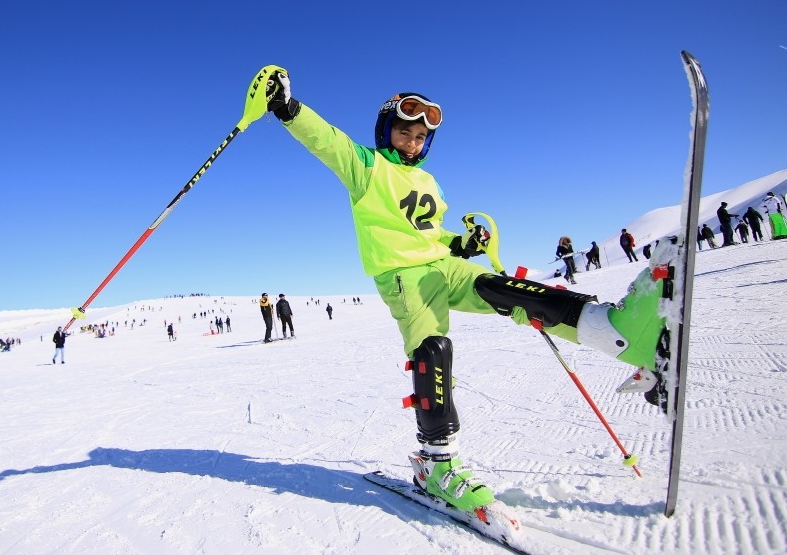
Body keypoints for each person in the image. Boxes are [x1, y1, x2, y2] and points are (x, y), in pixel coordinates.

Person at [256, 67, 669, 513]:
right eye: (403, 131)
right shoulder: (367, 167)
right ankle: (436, 465)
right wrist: (287, 108)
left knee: (517, 292)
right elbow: (327, 140)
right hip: (404, 276)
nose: (411, 141)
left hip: (443, 265)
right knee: (433, 352)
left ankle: (623, 333)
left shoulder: (428, 182)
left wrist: (466, 244)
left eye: (419, 136)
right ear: (386, 129)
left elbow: (433, 233)